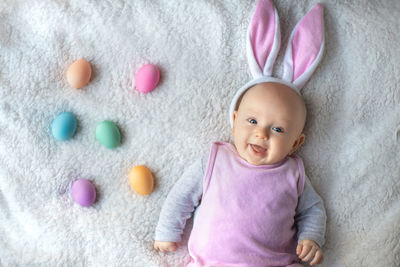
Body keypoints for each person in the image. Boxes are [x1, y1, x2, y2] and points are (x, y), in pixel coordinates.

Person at [155, 0, 327, 266]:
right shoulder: (215, 160)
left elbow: (313, 209)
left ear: (296, 143)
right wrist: (167, 231)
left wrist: (312, 238)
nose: (262, 134)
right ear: (234, 121)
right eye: (252, 121)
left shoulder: (294, 174)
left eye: (278, 129)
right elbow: (181, 196)